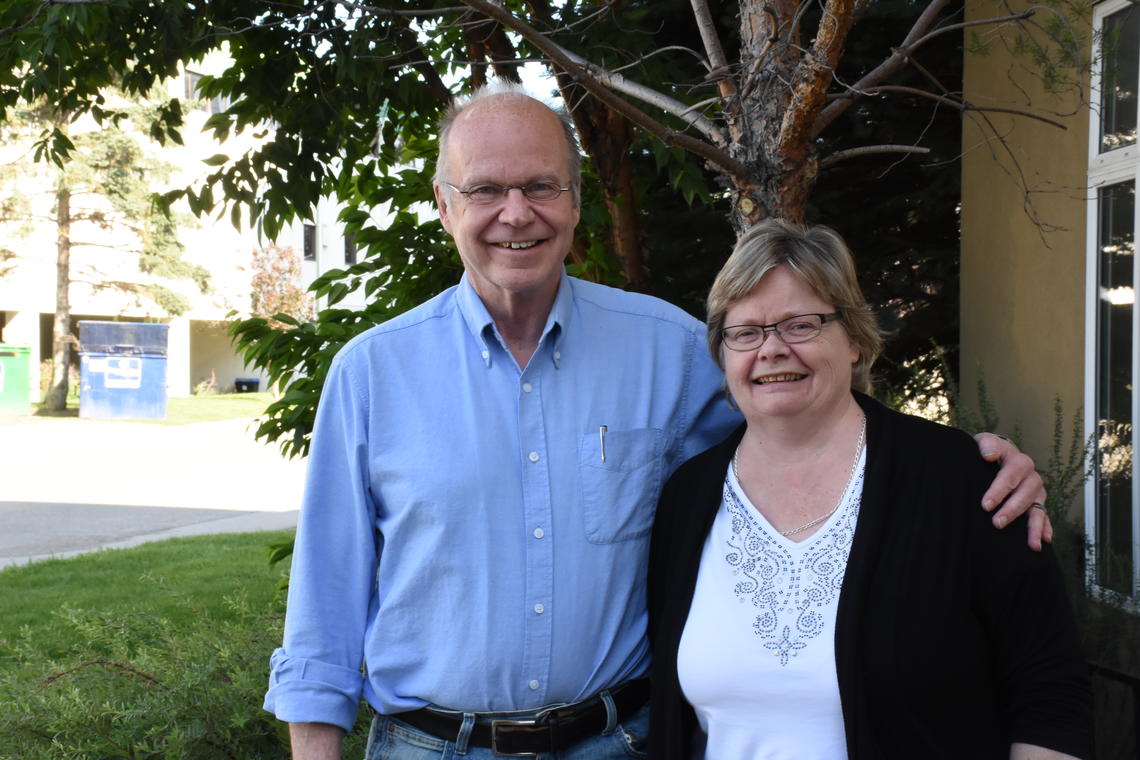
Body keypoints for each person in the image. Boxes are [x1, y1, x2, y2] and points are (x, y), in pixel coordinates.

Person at [263, 83, 1051, 760]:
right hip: (429, 746)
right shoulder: (372, 374)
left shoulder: (668, 347)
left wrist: (960, 464)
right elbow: (326, 601)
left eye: (541, 185)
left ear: (575, 203)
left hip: (619, 741)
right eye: (484, 190)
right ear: (444, 206)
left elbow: (801, 412)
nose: (516, 213)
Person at [646, 219, 1091, 760]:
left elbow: (1050, 690)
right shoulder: (688, 499)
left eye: (800, 324)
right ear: (723, 354)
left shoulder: (965, 481)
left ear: (855, 339)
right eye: (745, 332)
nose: (772, 349)